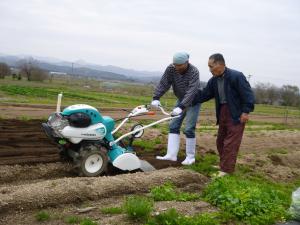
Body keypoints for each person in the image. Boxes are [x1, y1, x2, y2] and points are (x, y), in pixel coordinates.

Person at [193, 53, 255, 176]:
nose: (210, 69)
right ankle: (224, 164)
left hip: (236, 113)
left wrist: (246, 111)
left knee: (231, 143)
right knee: (220, 141)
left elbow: (248, 94)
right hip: (222, 112)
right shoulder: (214, 80)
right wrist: (188, 99)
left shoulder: (236, 76)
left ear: (220, 64)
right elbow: (205, 94)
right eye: (209, 67)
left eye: (211, 66)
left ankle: (226, 170)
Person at [151, 52, 201, 165]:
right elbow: (164, 83)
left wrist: (181, 107)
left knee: (188, 128)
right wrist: (156, 97)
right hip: (180, 99)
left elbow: (192, 91)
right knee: (173, 125)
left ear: (186, 62)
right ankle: (171, 155)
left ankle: (190, 157)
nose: (177, 68)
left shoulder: (194, 72)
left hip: (194, 101)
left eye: (180, 65)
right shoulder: (171, 68)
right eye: (175, 65)